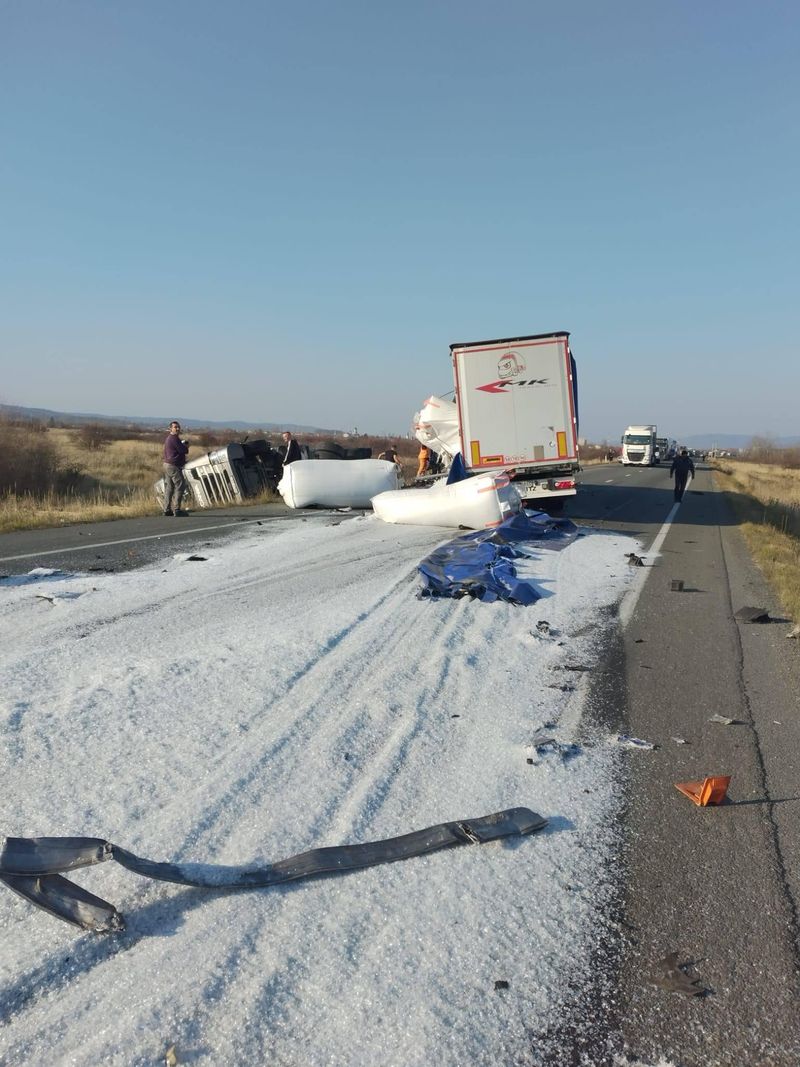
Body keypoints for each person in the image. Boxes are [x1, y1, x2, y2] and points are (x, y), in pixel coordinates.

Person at [162, 420, 189, 516]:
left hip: (167, 465)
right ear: (170, 428)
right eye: (175, 427)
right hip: (173, 466)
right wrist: (185, 446)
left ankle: (166, 509)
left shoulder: (169, 438)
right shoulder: (174, 438)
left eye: (178, 427)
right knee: (180, 485)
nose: (177, 429)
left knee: (170, 487)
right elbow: (183, 450)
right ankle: (177, 509)